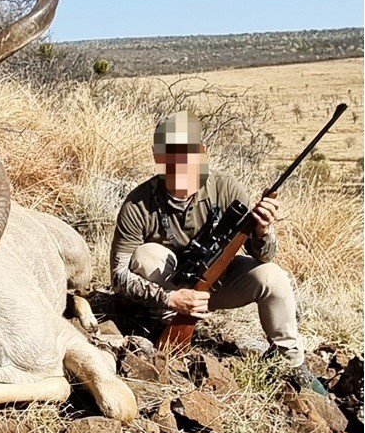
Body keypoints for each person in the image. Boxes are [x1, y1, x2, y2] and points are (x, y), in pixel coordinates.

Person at [110, 109, 326, 393]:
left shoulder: (226, 188)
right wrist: (171, 299)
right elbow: (117, 275)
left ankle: (291, 362)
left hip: (218, 283)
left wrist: (263, 230)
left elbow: (264, 256)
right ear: (157, 155)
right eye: (170, 153)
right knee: (147, 255)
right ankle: (164, 329)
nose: (180, 161)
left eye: (188, 152)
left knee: (273, 277)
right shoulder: (138, 203)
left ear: (202, 152)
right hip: (170, 295)